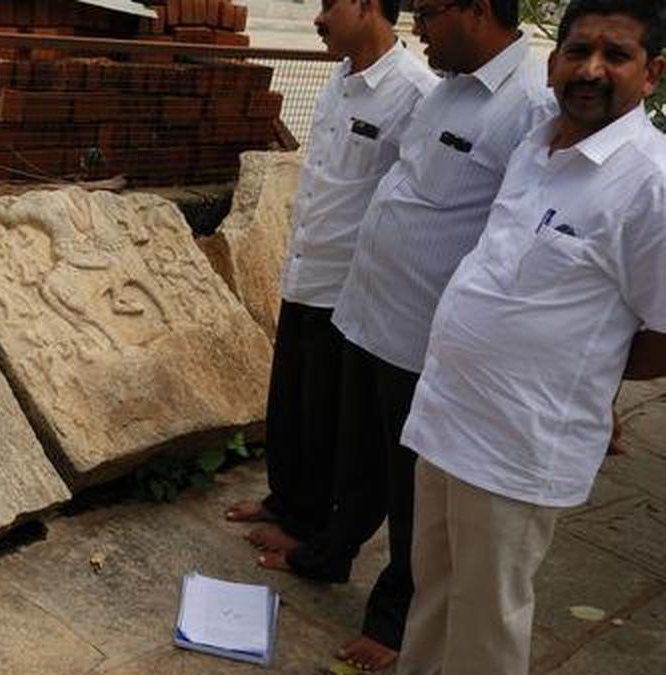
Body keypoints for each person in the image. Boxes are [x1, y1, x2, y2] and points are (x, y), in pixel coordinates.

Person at [252, 0, 557, 670]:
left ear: (478, 10)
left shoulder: (529, 108)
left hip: (424, 337)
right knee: (357, 465)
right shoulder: (448, 90)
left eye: (433, 11)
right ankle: (327, 553)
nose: (419, 25)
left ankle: (394, 623)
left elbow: (520, 239)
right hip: (369, 312)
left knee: (413, 493)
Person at [397, 1, 666, 673]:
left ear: (652, 73)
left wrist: (592, 374)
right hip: (447, 415)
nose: (592, 69)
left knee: (487, 620)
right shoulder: (535, 144)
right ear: (553, 63)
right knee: (433, 591)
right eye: (578, 51)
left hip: (519, 442)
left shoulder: (651, 183)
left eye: (616, 54)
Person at [224, 0, 436, 557]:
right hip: (304, 267)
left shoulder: (416, 94)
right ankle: (285, 499)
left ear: (367, 6)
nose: (318, 20)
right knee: (290, 403)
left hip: (350, 286)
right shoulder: (338, 81)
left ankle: (308, 523)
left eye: (328, 5)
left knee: (326, 416)